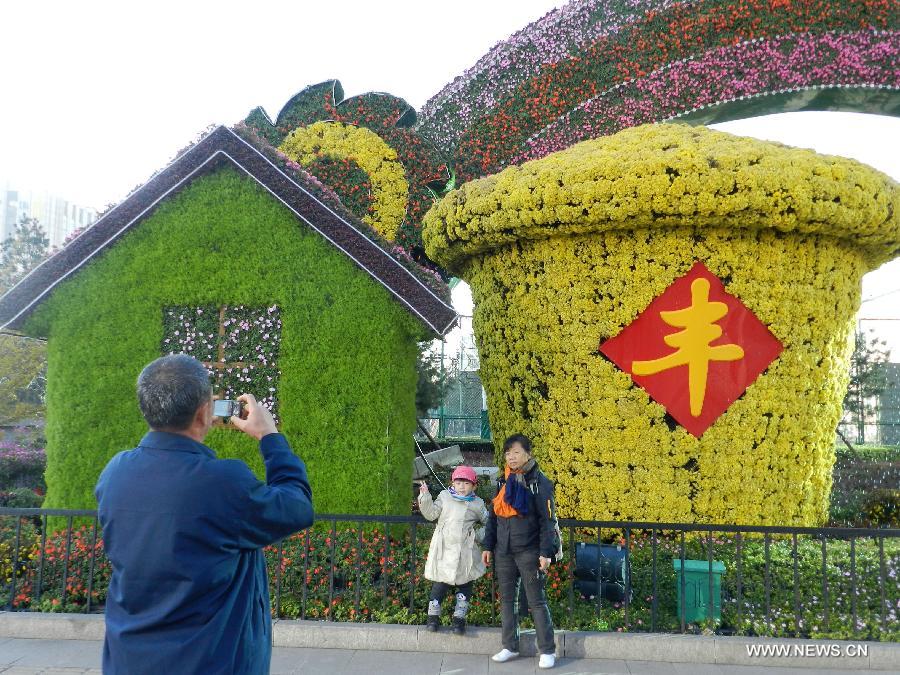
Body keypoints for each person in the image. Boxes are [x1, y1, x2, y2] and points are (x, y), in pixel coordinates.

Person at [95, 354, 314, 675]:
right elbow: (297, 506)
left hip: (128, 659)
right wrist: (270, 436)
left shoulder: (115, 472)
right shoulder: (221, 481)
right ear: (203, 413)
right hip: (209, 662)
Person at [481, 433, 558, 669]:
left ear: (528, 454)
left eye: (516, 452)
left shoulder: (539, 482)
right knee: (507, 601)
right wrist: (487, 545)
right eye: (508, 453)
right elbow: (493, 515)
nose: (511, 457)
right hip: (503, 549)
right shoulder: (502, 480)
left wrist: (546, 552)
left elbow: (548, 521)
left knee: (536, 601)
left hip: (529, 549)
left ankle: (547, 650)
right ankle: (509, 646)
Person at [417, 465, 489, 634]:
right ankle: (432, 618)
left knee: (465, 585)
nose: (462, 486)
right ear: (453, 483)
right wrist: (425, 497)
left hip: (465, 552)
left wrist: (477, 535)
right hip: (444, 549)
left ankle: (459, 620)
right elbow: (431, 514)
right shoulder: (445, 496)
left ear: (474, 486)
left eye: (466, 483)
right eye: (458, 482)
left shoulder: (477, 504)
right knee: (440, 584)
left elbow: (489, 523)